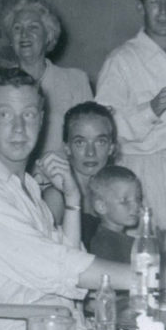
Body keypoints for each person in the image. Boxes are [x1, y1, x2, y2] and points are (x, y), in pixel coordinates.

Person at [0, 68, 144, 330]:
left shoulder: (24, 187)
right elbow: (60, 267)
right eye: (5, 115)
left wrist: (73, 200)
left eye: (29, 115)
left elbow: (66, 256)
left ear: (41, 120)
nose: (19, 128)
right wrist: (149, 277)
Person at [96, 0, 166, 234]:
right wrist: (152, 108)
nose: (164, 10)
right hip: (144, 175)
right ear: (140, 6)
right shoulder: (122, 60)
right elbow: (105, 129)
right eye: (155, 1)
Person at [0, 0, 92, 165]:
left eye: (33, 27)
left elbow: (88, 145)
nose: (24, 34)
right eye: (17, 28)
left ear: (48, 36)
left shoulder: (76, 82)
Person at [41, 101, 119, 247]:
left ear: (111, 148)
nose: (90, 153)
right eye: (80, 142)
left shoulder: (114, 194)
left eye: (100, 142)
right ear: (67, 148)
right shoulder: (56, 197)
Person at [86, 165, 143, 264]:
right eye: (125, 201)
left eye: (138, 199)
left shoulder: (122, 240)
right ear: (101, 207)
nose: (136, 206)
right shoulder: (104, 244)